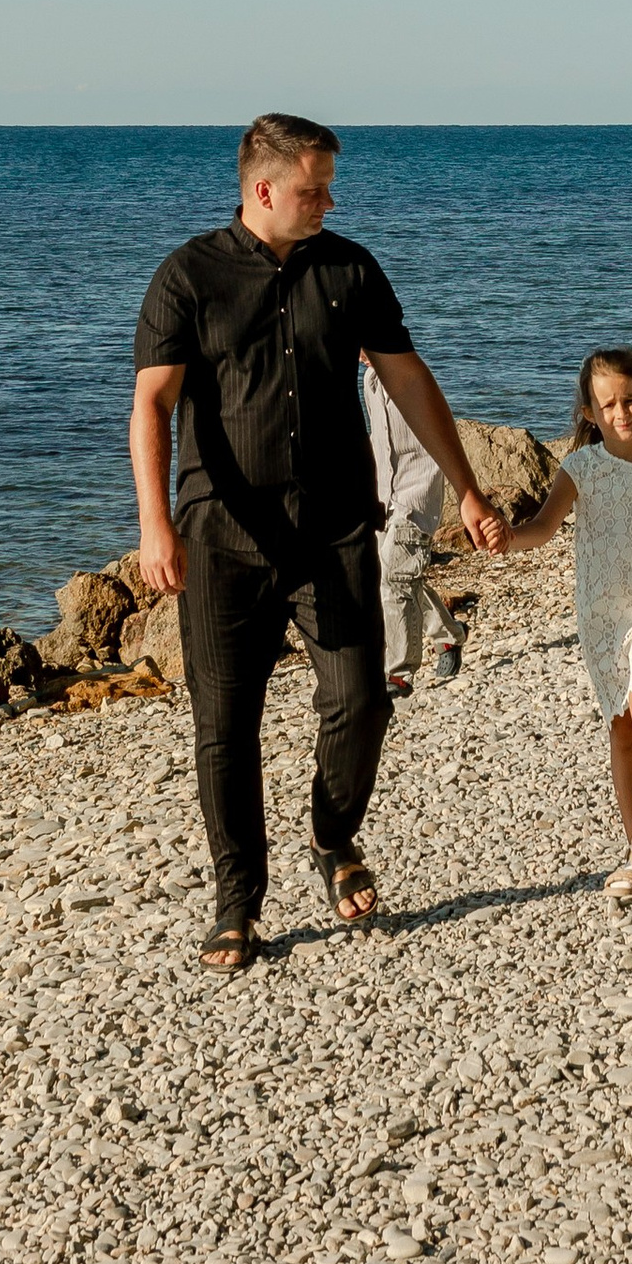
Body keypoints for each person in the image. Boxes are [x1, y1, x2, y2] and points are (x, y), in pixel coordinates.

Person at [131, 111, 507, 975]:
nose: (329, 201)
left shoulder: (350, 267)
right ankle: (238, 901)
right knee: (225, 729)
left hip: (337, 530)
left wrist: (469, 487)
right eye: (314, 188)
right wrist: (155, 525)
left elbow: (408, 378)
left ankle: (332, 837)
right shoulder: (186, 277)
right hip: (223, 539)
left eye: (330, 186)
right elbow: (152, 406)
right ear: (264, 190)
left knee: (362, 700)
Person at [495, 344, 632, 906]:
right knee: (620, 725)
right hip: (603, 616)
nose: (622, 412)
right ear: (590, 413)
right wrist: (506, 537)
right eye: (609, 404)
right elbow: (542, 529)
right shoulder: (581, 468)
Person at [363, 357, 460, 697]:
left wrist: (465, 492)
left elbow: (441, 430)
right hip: (384, 496)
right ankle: (447, 636)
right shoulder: (370, 382)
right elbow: (380, 440)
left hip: (417, 493)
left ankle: (399, 673)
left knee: (395, 577)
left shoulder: (411, 377)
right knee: (398, 576)